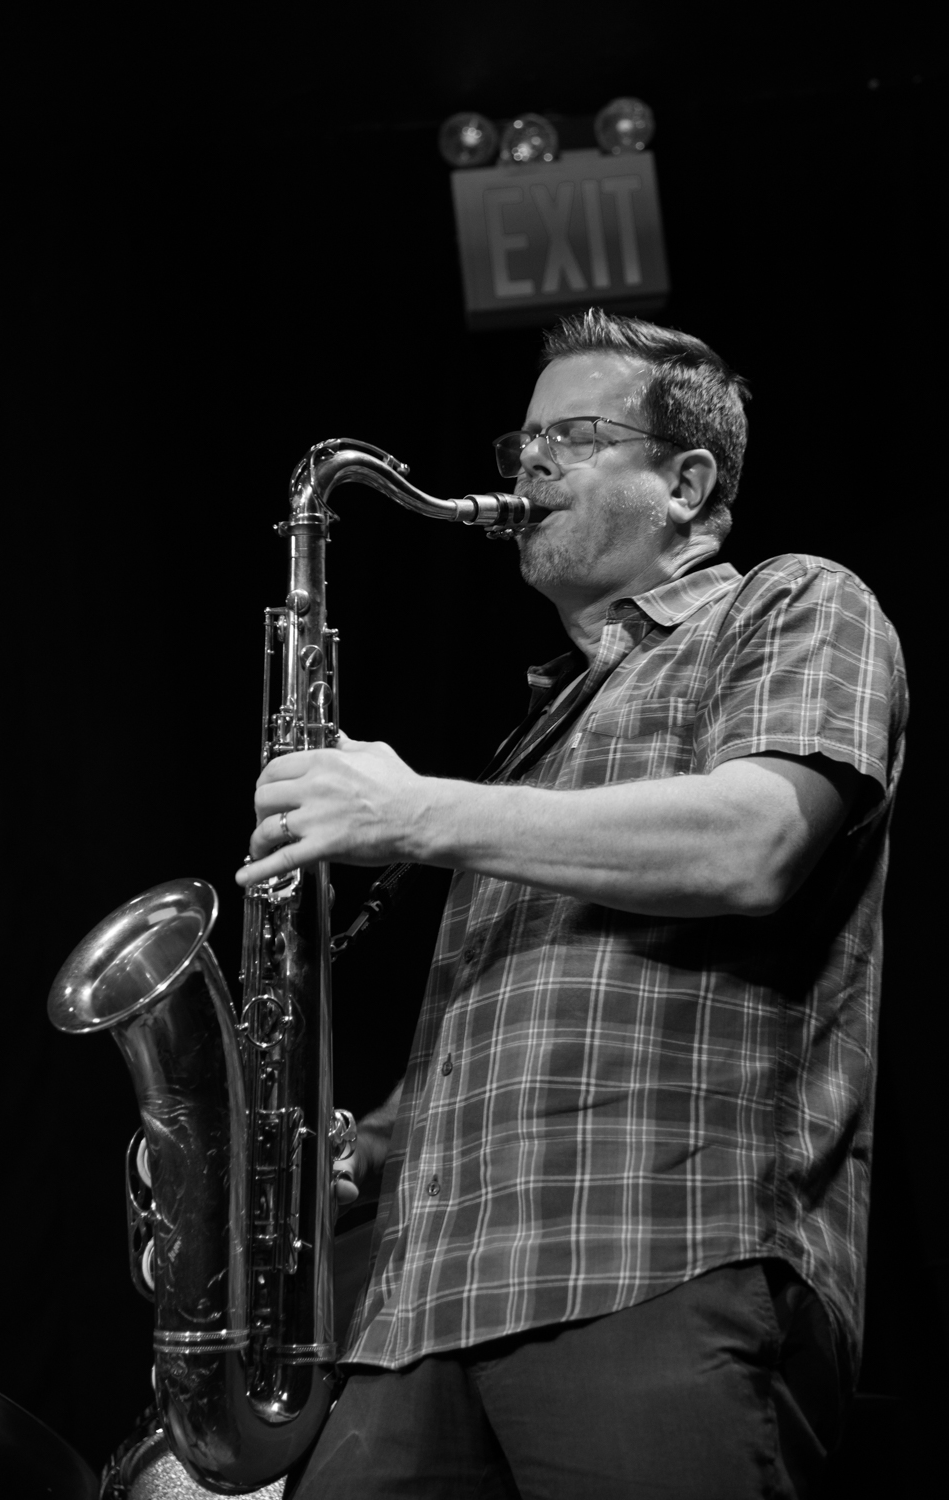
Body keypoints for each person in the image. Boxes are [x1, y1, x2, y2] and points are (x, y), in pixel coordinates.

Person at [236, 310, 907, 1499]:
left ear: (686, 482)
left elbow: (750, 846)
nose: (527, 466)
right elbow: (532, 1023)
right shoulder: (532, 739)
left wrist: (417, 814)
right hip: (416, 1314)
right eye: (521, 442)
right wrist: (370, 1150)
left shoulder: (794, 605)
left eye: (574, 436)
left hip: (653, 1268)